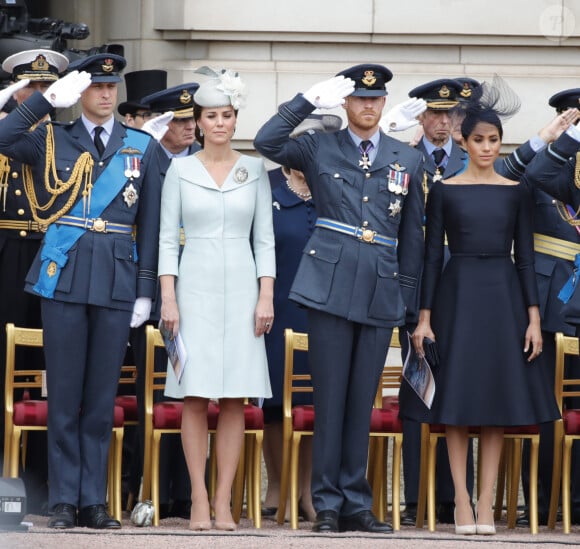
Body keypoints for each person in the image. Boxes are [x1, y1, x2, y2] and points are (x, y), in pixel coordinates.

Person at [254, 63, 425, 534]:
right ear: (346, 104)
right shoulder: (318, 144)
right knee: (329, 398)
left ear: (384, 104)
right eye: (359, 99)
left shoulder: (405, 158)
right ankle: (326, 502)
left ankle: (356, 501)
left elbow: (412, 239)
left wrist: (408, 303)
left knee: (362, 401)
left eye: (375, 99)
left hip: (378, 285)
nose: (368, 106)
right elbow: (267, 141)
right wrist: (305, 101)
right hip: (327, 285)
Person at [0, 53, 162, 529]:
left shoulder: (141, 147)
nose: (106, 94)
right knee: (65, 394)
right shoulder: (53, 136)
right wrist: (46, 101)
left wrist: (145, 290)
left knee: (100, 399)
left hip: (116, 280)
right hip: (65, 275)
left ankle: (94, 499)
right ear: (80, 92)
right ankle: (64, 499)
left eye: (112, 87)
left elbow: (151, 226)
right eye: (96, 87)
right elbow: (3, 138)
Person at [407, 79, 560, 535]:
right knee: (454, 405)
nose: (488, 147)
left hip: (504, 299)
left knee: (495, 403)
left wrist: (533, 319)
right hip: (456, 298)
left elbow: (527, 258)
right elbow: (433, 256)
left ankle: (489, 504)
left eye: (494, 140)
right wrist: (425, 319)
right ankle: (461, 506)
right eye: (479, 140)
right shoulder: (446, 190)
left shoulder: (514, 190)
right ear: (464, 141)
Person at [158, 67, 275, 531]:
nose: (221, 123)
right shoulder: (180, 169)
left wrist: (265, 295)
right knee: (194, 395)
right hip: (194, 287)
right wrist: (168, 297)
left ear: (235, 119)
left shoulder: (255, 169)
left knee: (233, 398)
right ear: (199, 122)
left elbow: (264, 239)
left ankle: (225, 501)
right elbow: (167, 239)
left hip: (244, 288)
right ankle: (199, 499)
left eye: (228, 114)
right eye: (211, 116)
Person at [397, 77, 472, 526]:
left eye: (448, 114)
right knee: (417, 389)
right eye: (434, 114)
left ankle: (448, 497)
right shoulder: (405, 159)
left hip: (461, 290)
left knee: (456, 389)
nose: (441, 121)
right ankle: (413, 496)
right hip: (413, 288)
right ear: (421, 117)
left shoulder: (472, 158)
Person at [125, 81, 201, 518]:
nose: (190, 128)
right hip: (154, 292)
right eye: (180, 121)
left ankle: (188, 492)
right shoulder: (146, 162)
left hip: (201, 288)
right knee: (152, 393)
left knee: (194, 391)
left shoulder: (207, 162)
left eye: (193, 120)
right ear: (163, 124)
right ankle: (145, 487)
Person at [261, 111, 342, 523]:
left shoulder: (335, 187)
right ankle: (277, 484)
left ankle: (310, 489)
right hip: (275, 307)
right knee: (275, 401)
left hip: (325, 309)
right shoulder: (268, 185)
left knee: (315, 402)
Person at [0, 48, 69, 513]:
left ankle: (42, 485)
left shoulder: (63, 140)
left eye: (47, 89)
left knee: (49, 374)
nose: (40, 97)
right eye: (31, 89)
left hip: (49, 256)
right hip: (5, 257)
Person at [522, 90, 580, 525]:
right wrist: (564, 139)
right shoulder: (549, 160)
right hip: (547, 298)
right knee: (543, 405)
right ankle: (540, 504)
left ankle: (576, 503)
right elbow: (536, 174)